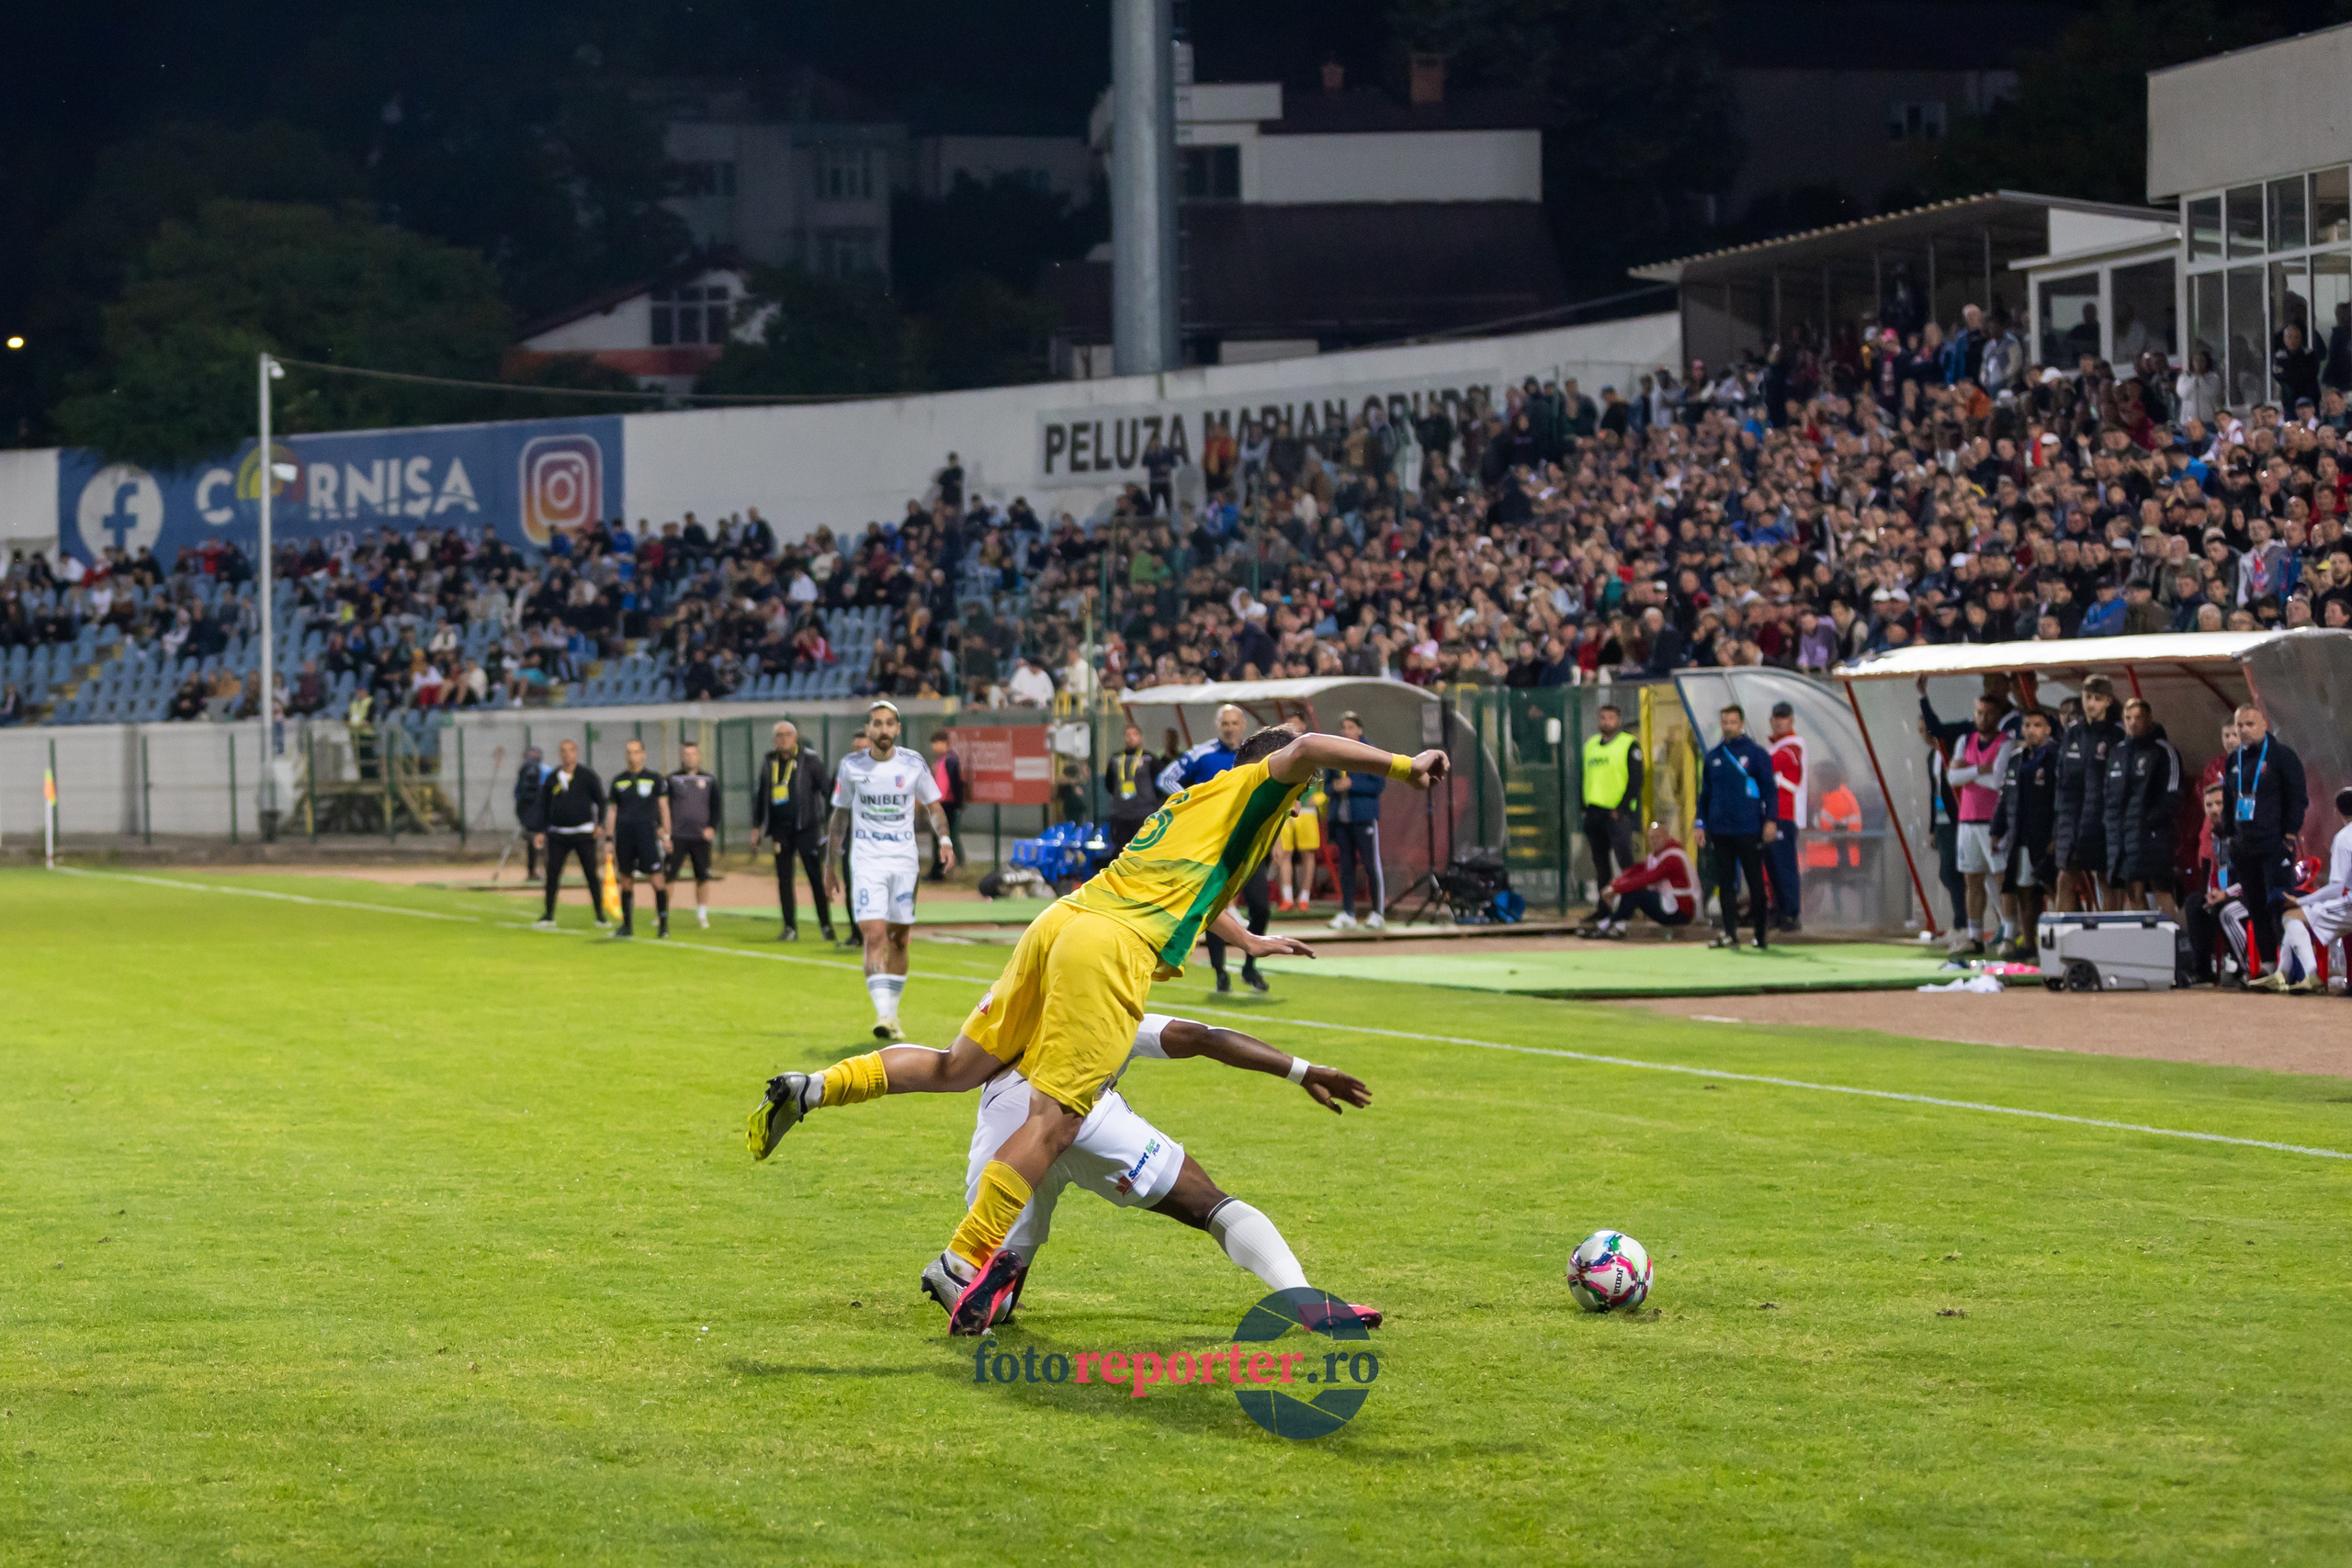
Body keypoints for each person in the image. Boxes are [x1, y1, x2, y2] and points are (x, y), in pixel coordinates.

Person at [752, 719, 1447, 1335]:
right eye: (1304, 783)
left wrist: (1247, 939)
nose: (1303, 792)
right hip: (1108, 951)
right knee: (1058, 1123)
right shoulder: (1260, 786)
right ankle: (962, 1260)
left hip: (1062, 921)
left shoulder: (1197, 801)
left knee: (953, 1067)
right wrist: (1404, 766)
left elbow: (1189, 891)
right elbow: (1306, 744)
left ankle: (814, 1089)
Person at [918, 1014, 1379, 1329]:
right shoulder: (1112, 1004)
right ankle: (1306, 1302)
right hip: (1085, 1117)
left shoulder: (1019, 994)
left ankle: (964, 1282)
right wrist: (1302, 1072)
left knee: (998, 1284)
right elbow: (1207, 1038)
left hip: (1006, 1131)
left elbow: (952, 1064)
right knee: (1209, 1205)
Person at [827, 701, 955, 1041]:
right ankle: (883, 1012)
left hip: (903, 862)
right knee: (873, 934)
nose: (883, 729)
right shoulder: (851, 766)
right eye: (877, 723)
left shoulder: (913, 764)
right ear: (869, 728)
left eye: (889, 723)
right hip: (866, 860)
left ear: (897, 728)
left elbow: (934, 807)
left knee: (899, 937)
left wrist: (945, 840)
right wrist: (829, 865)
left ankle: (892, 1013)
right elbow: (839, 816)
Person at [1159, 704, 1273, 993]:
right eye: (1225, 723)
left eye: (1234, 723)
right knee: (1213, 906)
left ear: (1243, 725)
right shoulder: (1202, 753)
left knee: (1260, 907)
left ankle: (1250, 967)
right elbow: (1166, 778)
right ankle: (1220, 971)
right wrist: (1195, 802)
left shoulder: (1258, 756)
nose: (1230, 728)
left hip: (1249, 841)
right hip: (1214, 844)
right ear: (1217, 726)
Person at [1921, 680, 2014, 956]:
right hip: (1967, 820)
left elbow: (1997, 780)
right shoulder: (1965, 741)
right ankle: (1974, 936)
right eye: (1979, 712)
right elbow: (1953, 777)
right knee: (1972, 879)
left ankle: (2011, 934)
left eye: (1988, 713)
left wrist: (1968, 772)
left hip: (1993, 821)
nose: (1982, 718)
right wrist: (1979, 770)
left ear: (1997, 716)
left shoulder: (2005, 743)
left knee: (2001, 879)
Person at [2223, 703, 2309, 977]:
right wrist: (2229, 836)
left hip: (2274, 845)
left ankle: (2291, 969)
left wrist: (2289, 834)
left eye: (2250, 724)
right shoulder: (2233, 760)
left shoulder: (2282, 756)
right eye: (2240, 725)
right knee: (2256, 906)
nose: (2244, 730)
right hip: (2244, 846)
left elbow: (2298, 797)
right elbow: (2228, 801)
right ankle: (2268, 966)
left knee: (2279, 904)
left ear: (2264, 725)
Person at [1693, 704, 1776, 950]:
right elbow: (1705, 795)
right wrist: (1700, 824)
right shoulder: (1713, 756)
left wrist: (1771, 820)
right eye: (1725, 722)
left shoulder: (1756, 754)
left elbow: (1770, 791)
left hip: (1749, 829)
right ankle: (1730, 933)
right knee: (1725, 883)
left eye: (1732, 722)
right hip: (1721, 830)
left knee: (1755, 883)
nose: (1728, 727)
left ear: (1741, 724)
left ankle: (1760, 935)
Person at [752, 720, 835, 944]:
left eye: (787, 735)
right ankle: (789, 927)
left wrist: (831, 821)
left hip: (806, 828)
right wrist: (756, 825)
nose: (783, 739)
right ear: (774, 740)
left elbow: (827, 790)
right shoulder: (769, 761)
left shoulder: (810, 760)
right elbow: (760, 795)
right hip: (780, 830)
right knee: (784, 880)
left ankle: (826, 925)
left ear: (795, 737)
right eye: (779, 735)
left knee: (815, 878)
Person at [2264, 784, 2352, 993]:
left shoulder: (2344, 838)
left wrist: (2301, 900)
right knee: (2295, 917)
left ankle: (2311, 974)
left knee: (2290, 917)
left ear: (2336, 811)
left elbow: (2336, 888)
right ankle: (2281, 974)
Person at [2103, 697, 2183, 917]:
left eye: (2138, 717)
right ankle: (2146, 933)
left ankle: (2170, 932)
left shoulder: (2164, 751)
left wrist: (2150, 822)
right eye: (2128, 718)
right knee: (2133, 888)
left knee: (2160, 887)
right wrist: (2112, 824)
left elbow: (2173, 793)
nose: (2133, 722)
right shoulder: (2117, 752)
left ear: (2149, 719)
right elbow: (2108, 793)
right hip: (2123, 834)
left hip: (2154, 834)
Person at [1990, 707, 2059, 961]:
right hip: (2020, 837)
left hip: (2045, 836)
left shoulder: (2055, 757)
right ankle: (2029, 945)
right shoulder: (2016, 759)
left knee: (2053, 889)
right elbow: (2005, 797)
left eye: (2037, 725)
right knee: (2024, 891)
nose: (2031, 730)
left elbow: (2062, 800)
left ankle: (2059, 946)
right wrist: (1997, 830)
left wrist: (2057, 835)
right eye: (2027, 725)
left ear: (2047, 729)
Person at [2053, 677, 2123, 913]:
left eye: (2097, 698)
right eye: (2087, 697)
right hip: (2072, 821)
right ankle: (2064, 932)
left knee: (2106, 879)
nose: (2091, 703)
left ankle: (2109, 932)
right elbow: (2061, 778)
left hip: (2102, 820)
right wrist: (2061, 816)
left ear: (2108, 701)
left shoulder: (2116, 734)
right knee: (2065, 878)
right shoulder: (2072, 733)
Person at [1577, 703, 1643, 931]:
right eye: (1603, 717)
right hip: (1594, 812)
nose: (1606, 722)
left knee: (1625, 863)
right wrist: (1584, 806)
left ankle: (1628, 908)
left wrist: (1622, 808)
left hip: (1616, 814)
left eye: (1611, 718)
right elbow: (1584, 777)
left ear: (1619, 720)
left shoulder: (1629, 744)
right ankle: (1604, 909)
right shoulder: (1591, 745)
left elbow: (1636, 779)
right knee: (1600, 864)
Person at [532, 739, 607, 929]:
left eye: (571, 750)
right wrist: (540, 830)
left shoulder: (587, 776)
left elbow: (601, 801)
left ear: (576, 752)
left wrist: (600, 824)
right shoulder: (552, 778)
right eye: (563, 751)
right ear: (560, 754)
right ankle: (549, 915)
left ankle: (600, 915)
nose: (567, 754)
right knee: (553, 874)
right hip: (558, 835)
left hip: (583, 834)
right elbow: (543, 806)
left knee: (591, 874)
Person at [1323, 712, 1388, 931]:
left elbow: (1378, 785)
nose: (1346, 731)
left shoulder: (1371, 753)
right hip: (1341, 820)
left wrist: (1353, 785)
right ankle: (1348, 912)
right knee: (1346, 867)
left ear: (1360, 729)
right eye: (1344, 727)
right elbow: (1327, 787)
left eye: (1351, 727)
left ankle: (1378, 912)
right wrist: (1334, 787)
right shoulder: (1334, 753)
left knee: (1371, 864)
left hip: (1364, 818)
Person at [603, 738, 672, 940]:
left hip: (647, 836)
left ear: (643, 754)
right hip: (625, 836)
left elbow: (664, 808)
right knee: (625, 880)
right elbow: (612, 811)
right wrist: (609, 839)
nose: (632, 756)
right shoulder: (618, 781)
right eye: (629, 752)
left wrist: (667, 835)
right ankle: (627, 926)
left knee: (656, 880)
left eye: (635, 752)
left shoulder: (654, 779)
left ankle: (663, 925)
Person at [2187, 783, 2253, 985]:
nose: (2214, 809)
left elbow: (2252, 877)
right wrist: (2213, 892)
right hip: (2229, 892)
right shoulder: (2216, 834)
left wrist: (2226, 894)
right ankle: (2203, 972)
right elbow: (2219, 871)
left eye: (2219, 803)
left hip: (2252, 893)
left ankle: (2246, 967)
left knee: (2221, 909)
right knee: (2194, 903)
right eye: (2209, 805)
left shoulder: (2243, 832)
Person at [1587, 821, 1698, 938]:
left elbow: (1648, 877)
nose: (1654, 841)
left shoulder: (1673, 857)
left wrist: (1615, 888)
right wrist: (1614, 885)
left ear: (1667, 837)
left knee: (1636, 892)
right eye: (1651, 838)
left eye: (1658, 837)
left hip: (1681, 912)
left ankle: (1615, 923)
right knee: (1632, 890)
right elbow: (1635, 871)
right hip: (1669, 906)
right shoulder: (1655, 856)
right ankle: (1614, 923)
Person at [666, 739, 720, 930]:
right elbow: (664, 806)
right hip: (677, 836)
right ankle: (663, 913)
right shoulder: (672, 779)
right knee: (669, 875)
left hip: (700, 837)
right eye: (687, 754)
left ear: (699, 756)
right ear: (682, 757)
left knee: (702, 876)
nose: (690, 758)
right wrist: (664, 830)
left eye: (693, 754)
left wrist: (711, 827)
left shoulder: (709, 780)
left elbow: (716, 807)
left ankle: (702, 915)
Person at [1764, 701, 1807, 934]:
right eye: (1777, 718)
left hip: (1784, 814)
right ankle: (1781, 911)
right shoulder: (1776, 746)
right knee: (1773, 866)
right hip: (1773, 814)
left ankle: (1790, 913)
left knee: (1783, 866)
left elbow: (1765, 767)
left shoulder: (1791, 747)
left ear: (1791, 721)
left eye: (1784, 718)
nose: (1780, 722)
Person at [1102, 722, 1165, 855]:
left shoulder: (1149, 759)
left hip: (1144, 813)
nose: (1131, 738)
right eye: (1128, 735)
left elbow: (1160, 784)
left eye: (1134, 734)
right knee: (1122, 851)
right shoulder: (1116, 759)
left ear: (1141, 737)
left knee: (1145, 850)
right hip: (1122, 814)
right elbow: (1109, 784)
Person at [1272, 775, 1326, 911]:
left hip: (1308, 810)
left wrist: (1320, 798)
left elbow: (1326, 784)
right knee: (1284, 852)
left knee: (1308, 854)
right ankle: (1287, 898)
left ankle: (1304, 898)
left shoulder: (1319, 765)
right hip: (1286, 808)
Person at [927, 730, 966, 881]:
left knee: (947, 837)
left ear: (945, 743)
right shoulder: (940, 760)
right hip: (940, 803)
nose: (934, 747)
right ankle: (937, 870)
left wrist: (957, 803)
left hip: (948, 804)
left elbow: (956, 783)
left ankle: (948, 868)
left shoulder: (950, 760)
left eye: (937, 743)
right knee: (938, 838)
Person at [513, 744, 550, 878]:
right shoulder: (528, 771)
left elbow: (517, 793)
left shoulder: (542, 771)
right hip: (533, 814)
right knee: (534, 842)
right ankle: (534, 871)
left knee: (541, 842)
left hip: (538, 814)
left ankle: (543, 871)